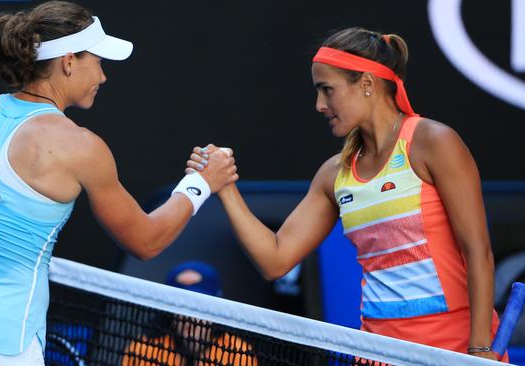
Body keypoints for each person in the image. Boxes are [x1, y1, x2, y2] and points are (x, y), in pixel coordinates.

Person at [0, 2, 237, 365]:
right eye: (98, 61)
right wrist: (200, 183)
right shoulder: (80, 146)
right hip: (3, 348)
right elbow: (146, 241)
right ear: (68, 61)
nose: (103, 76)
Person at [188, 28, 508, 361]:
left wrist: (479, 349)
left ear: (367, 85)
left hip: (452, 349)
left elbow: (478, 251)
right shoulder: (333, 174)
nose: (319, 105)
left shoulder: (434, 142)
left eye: (327, 90)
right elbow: (276, 259)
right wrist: (224, 188)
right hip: (377, 351)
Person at [121, 260, 258, 365]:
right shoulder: (144, 349)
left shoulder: (238, 353)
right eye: (181, 306)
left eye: (199, 305)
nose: (189, 316)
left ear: (217, 308)